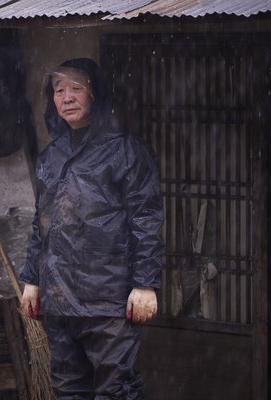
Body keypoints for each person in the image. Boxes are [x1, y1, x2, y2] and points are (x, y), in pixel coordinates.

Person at [19, 58, 165, 400]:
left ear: (95, 93)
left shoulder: (126, 150)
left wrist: (145, 283)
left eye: (76, 88)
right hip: (60, 299)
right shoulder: (51, 156)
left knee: (115, 390)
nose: (66, 97)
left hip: (108, 299)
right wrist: (31, 279)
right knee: (68, 389)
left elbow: (146, 220)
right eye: (59, 90)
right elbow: (42, 223)